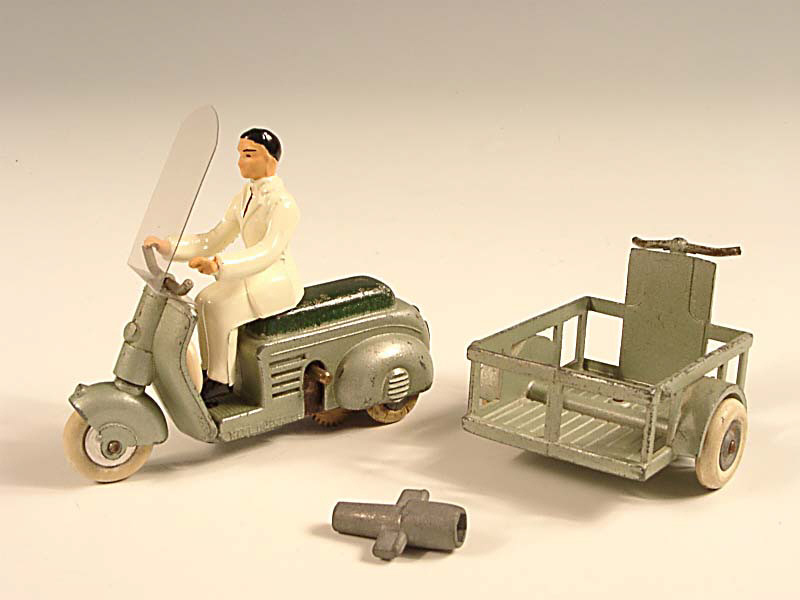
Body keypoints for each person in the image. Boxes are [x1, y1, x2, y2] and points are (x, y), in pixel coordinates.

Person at [145, 128, 302, 402]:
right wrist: (170, 246)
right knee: (204, 300)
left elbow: (267, 251)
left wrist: (220, 265)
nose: (240, 161)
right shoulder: (244, 197)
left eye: (249, 155)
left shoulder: (284, 205)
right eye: (240, 154)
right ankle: (210, 372)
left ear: (270, 160)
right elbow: (215, 237)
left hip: (275, 276)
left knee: (219, 306)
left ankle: (220, 381)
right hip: (250, 271)